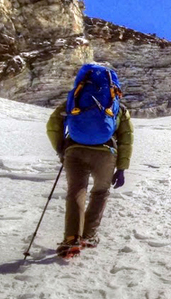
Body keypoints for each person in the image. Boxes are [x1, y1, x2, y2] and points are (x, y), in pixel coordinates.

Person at [46, 64, 133, 258]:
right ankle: (89, 236)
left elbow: (53, 124)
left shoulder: (73, 100)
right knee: (100, 192)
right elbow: (126, 138)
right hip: (106, 153)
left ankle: (72, 238)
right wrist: (121, 168)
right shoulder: (117, 107)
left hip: (74, 150)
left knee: (76, 191)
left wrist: (61, 149)